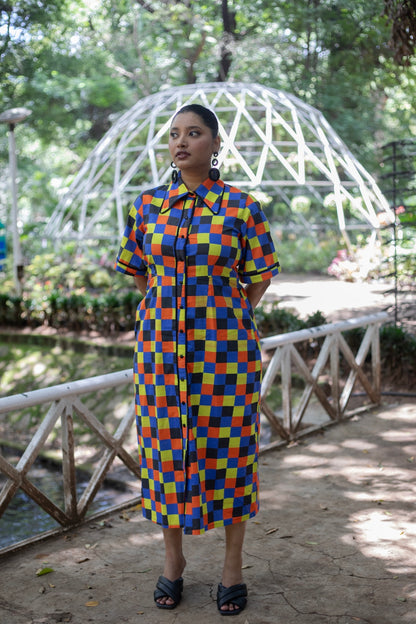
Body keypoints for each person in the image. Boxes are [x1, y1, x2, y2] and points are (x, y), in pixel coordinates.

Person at [115, 103, 280, 615]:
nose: (180, 142)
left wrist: (224, 314)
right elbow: (138, 270)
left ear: (215, 144)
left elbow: (260, 276)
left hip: (225, 354)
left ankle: (233, 568)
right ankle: (173, 561)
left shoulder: (241, 208)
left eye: (193, 133)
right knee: (164, 455)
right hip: (160, 353)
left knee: (230, 454)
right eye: (174, 134)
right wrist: (163, 307)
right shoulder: (146, 206)